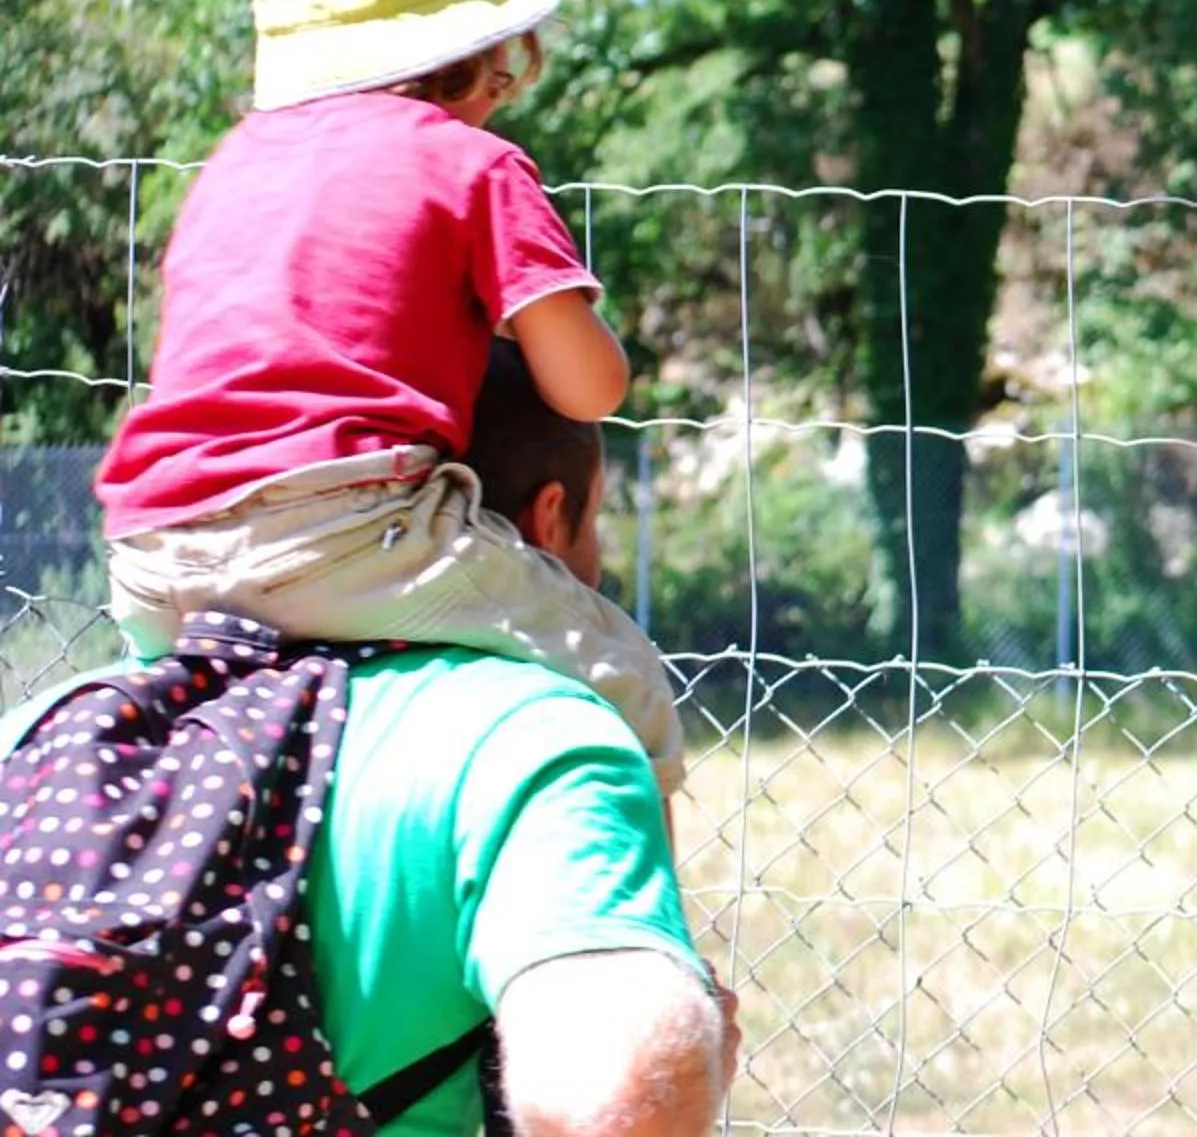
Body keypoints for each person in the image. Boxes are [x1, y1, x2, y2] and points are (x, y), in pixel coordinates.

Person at [2, 344, 728, 1135]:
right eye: (594, 523)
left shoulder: (53, 727)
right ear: (550, 516)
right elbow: (616, 1096)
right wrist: (696, 1052)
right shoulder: (535, 740)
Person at [93, 0, 685, 791]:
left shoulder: (231, 166)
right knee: (628, 682)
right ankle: (616, 926)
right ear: (483, 51)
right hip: (347, 535)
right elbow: (588, 387)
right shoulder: (474, 166)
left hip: (154, 557)